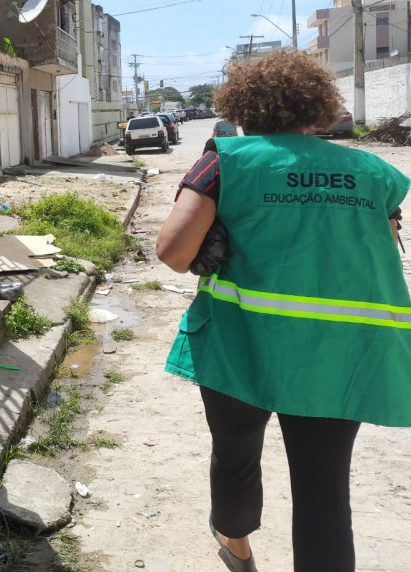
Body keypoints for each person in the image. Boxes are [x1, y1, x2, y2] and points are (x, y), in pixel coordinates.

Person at [156, 49, 411, 572]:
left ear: (244, 106)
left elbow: (174, 253)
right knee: (324, 494)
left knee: (235, 456)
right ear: (316, 106)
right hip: (341, 356)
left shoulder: (225, 159)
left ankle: (237, 547)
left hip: (240, 348)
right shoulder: (373, 172)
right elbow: (384, 251)